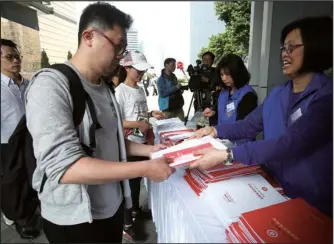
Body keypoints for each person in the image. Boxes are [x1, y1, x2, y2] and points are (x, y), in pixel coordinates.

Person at [25, 3, 173, 243]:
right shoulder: (51, 85)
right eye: (118, 46)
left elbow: (110, 140)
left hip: (111, 207)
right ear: (89, 37)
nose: (121, 56)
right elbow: (64, 168)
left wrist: (150, 151)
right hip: (76, 219)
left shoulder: (104, 88)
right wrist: (145, 168)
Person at [191, 16, 333, 217]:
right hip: (273, 188)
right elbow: (249, 125)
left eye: (291, 47)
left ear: (315, 47)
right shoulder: (277, 93)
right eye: (283, 48)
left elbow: (291, 142)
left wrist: (228, 156)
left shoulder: (327, 97)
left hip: (311, 202)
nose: (284, 54)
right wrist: (213, 130)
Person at [115, 50, 166, 241]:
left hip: (143, 143)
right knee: (129, 186)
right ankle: (127, 224)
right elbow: (116, 122)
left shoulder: (140, 89)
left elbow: (140, 114)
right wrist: (137, 125)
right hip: (129, 146)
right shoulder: (119, 92)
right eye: (138, 70)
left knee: (137, 184)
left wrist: (151, 114)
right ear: (127, 68)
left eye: (144, 71)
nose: (142, 74)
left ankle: (136, 211)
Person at [1, 39, 41, 239]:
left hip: (31, 139)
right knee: (13, 182)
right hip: (7, 145)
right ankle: (21, 220)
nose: (16, 60)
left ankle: (30, 210)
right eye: (9, 56)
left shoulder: (27, 83)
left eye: (17, 56)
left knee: (30, 177)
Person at [203, 54, 258, 144]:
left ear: (237, 72)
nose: (224, 78)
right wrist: (213, 112)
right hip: (222, 141)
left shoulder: (248, 95)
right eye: (221, 74)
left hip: (240, 146)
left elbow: (244, 126)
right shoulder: (224, 92)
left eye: (228, 74)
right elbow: (224, 111)